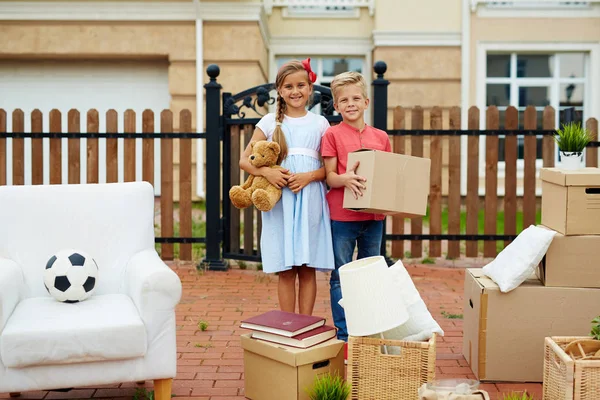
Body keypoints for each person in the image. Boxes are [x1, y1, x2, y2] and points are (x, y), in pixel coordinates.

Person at [238, 58, 334, 316]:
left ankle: (306, 322)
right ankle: (289, 324)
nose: (295, 91)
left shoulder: (320, 124)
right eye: (289, 86)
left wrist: (308, 177)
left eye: (301, 85)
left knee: (307, 266)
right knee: (286, 268)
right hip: (281, 202)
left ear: (310, 88)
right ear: (279, 91)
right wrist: (267, 172)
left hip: (310, 198)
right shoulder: (269, 122)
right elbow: (244, 161)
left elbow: (330, 169)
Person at [320, 71, 392, 349]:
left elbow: (386, 175)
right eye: (344, 100)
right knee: (342, 275)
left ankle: (368, 331)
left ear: (366, 102)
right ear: (336, 106)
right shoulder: (332, 134)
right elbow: (329, 177)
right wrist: (344, 178)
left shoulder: (381, 136)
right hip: (343, 217)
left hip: (373, 217)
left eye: (355, 99)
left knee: (371, 275)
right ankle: (344, 333)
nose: (350, 104)